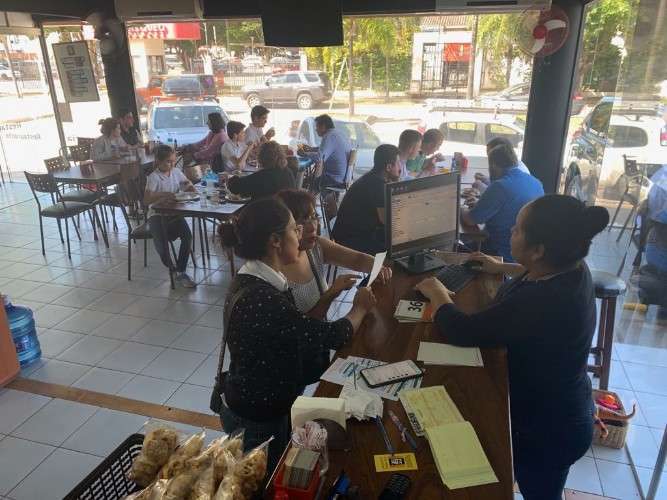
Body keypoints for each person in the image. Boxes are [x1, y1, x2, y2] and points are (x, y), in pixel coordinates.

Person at [416, 194, 610, 500]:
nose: (510, 231)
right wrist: (500, 266)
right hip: (562, 407)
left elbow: (463, 330)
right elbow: (538, 273)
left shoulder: (542, 302)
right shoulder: (570, 266)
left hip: (549, 431)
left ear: (538, 250)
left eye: (518, 229)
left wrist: (437, 292)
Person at [218, 197, 377, 471]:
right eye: (295, 228)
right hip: (257, 418)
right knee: (264, 482)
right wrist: (360, 308)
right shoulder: (262, 298)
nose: (300, 234)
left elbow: (298, 328)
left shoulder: (258, 278)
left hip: (267, 403)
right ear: (275, 241)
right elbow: (332, 335)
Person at [276, 189, 392, 317]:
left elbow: (357, 259)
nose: (313, 227)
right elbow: (302, 325)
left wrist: (378, 267)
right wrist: (333, 292)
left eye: (314, 217)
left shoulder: (316, 246)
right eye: (302, 222)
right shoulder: (274, 274)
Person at [460, 143, 544, 262]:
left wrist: (461, 208)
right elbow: (507, 206)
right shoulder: (536, 182)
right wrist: (480, 203)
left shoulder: (500, 186)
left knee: (455, 248)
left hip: (500, 253)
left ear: (493, 165)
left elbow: (470, 220)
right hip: (526, 255)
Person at [331, 144, 401, 254]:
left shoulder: (372, 178)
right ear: (388, 167)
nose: (400, 168)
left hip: (346, 234)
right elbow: (387, 221)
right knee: (396, 243)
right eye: (398, 163)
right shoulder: (378, 186)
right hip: (350, 240)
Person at [144, 144, 197, 288]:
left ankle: (180, 270)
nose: (172, 164)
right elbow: (147, 200)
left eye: (174, 161)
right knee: (162, 247)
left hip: (173, 213)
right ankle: (173, 269)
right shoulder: (154, 177)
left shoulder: (175, 172)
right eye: (168, 162)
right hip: (156, 215)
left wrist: (190, 187)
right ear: (158, 161)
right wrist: (164, 194)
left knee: (187, 236)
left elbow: (186, 183)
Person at [227, 141, 296, 201]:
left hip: (264, 211)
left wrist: (230, 178)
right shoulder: (288, 172)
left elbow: (235, 187)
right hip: (286, 210)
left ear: (261, 158)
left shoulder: (262, 177)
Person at [298, 114, 351, 189]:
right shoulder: (338, 134)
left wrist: (305, 154)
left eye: (317, 127)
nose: (316, 129)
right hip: (342, 177)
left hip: (333, 178)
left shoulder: (329, 136)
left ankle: (307, 196)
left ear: (323, 126)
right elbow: (329, 149)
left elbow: (319, 158)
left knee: (302, 182)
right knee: (308, 178)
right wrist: (312, 149)